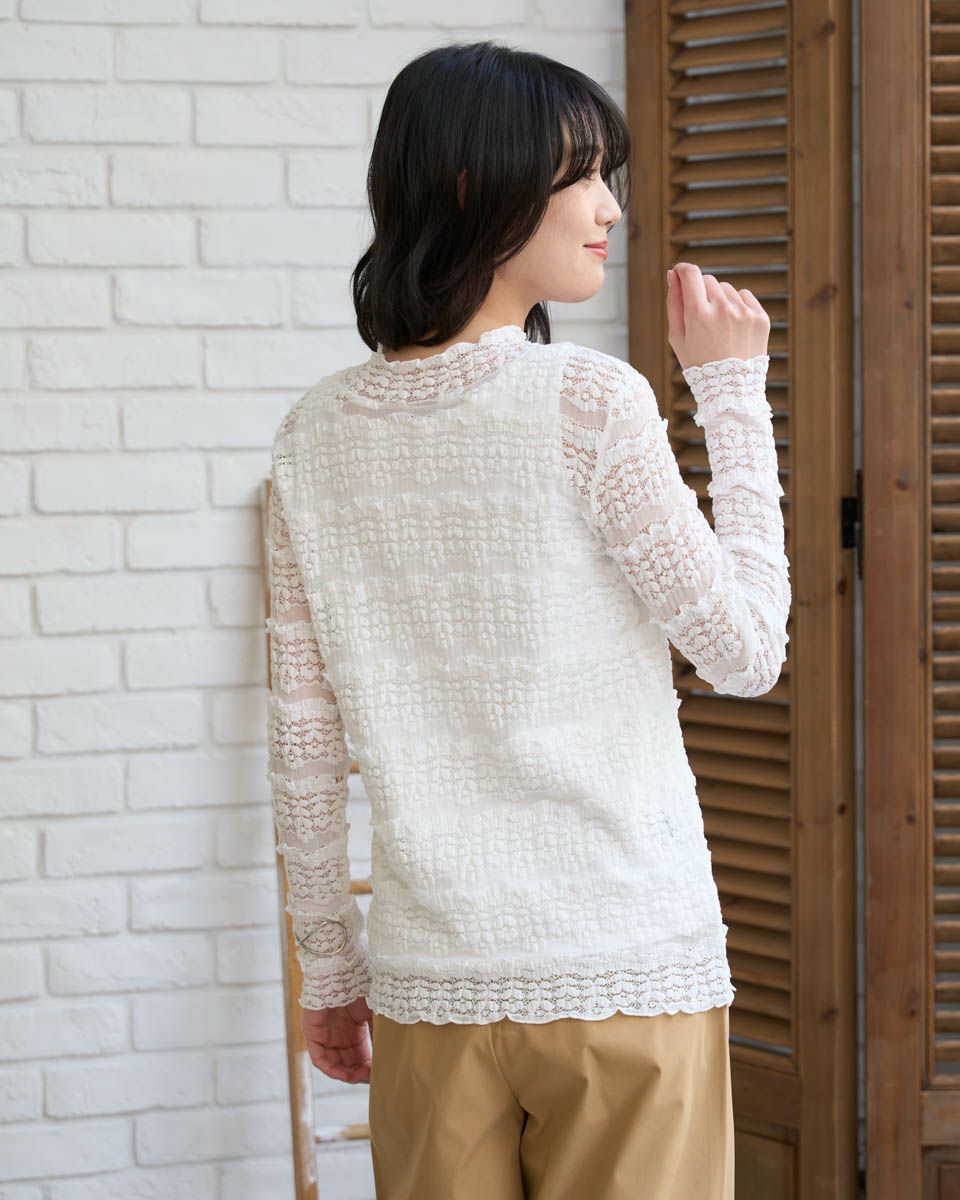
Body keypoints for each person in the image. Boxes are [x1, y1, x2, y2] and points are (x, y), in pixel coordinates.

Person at [264, 39, 789, 1200]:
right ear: (475, 186)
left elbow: (304, 747)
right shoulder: (588, 402)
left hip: (430, 990)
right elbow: (746, 652)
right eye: (581, 175)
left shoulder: (313, 437)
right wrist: (733, 396)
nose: (610, 209)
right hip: (622, 972)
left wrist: (330, 975)